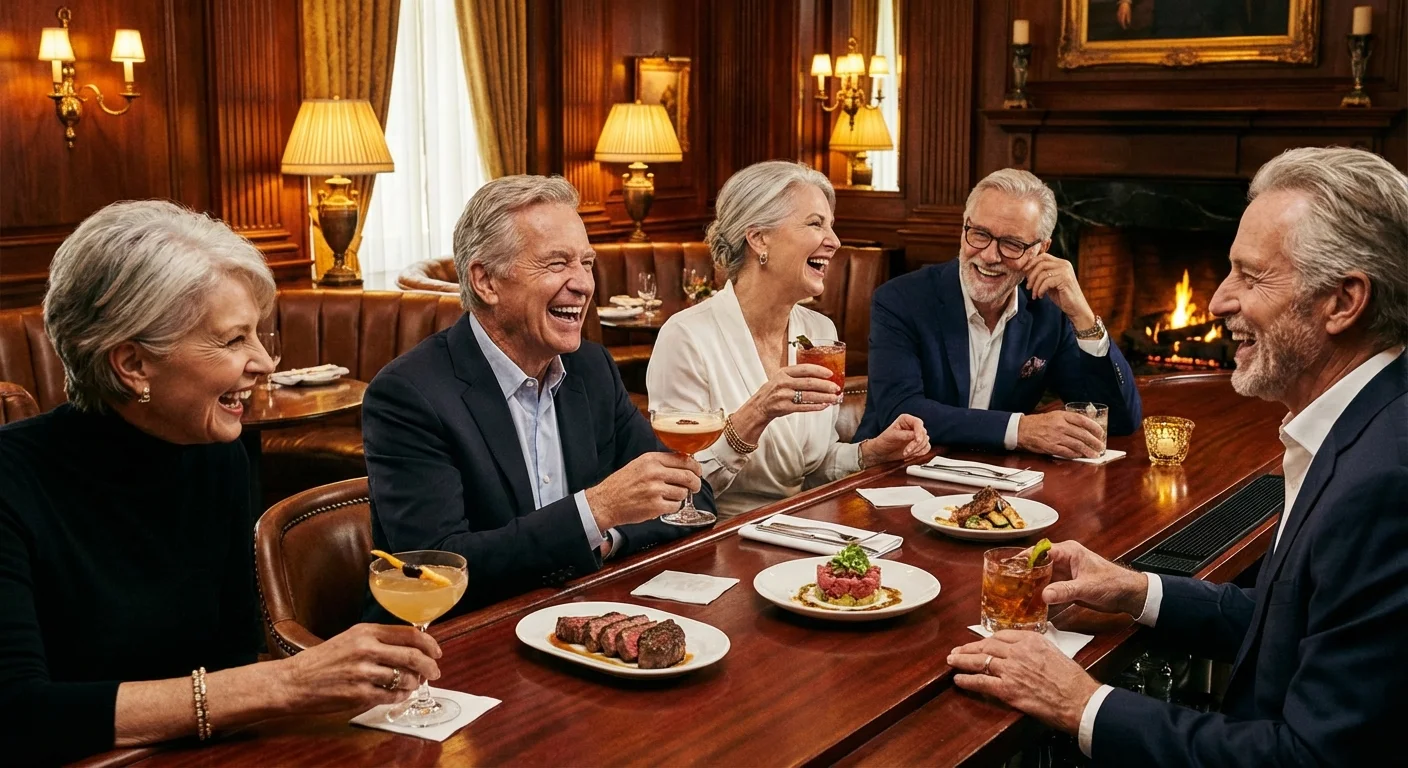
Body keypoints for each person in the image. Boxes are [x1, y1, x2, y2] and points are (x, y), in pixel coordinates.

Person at [947, 147, 1408, 766]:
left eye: (1251, 276)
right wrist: (1135, 590)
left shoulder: (1385, 482)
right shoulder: (1367, 424)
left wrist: (1081, 704)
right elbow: (1290, 620)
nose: (1217, 302)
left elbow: (1310, 758)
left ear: (1344, 302)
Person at [0, 201, 442, 765]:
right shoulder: (12, 482)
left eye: (258, 335)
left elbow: (230, 657)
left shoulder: (218, 456)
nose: (262, 361)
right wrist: (284, 684)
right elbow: (16, 714)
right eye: (233, 340)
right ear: (132, 364)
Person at [361, 175, 714, 616]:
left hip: (585, 614)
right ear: (486, 281)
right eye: (556, 264)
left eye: (586, 263)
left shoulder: (593, 368)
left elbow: (692, 499)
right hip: (459, 642)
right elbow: (436, 570)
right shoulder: (409, 395)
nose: (584, 284)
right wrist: (596, 511)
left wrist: (603, 538)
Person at [645, 161, 928, 517]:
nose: (835, 241)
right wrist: (757, 413)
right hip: (719, 539)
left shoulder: (820, 332)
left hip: (803, 530)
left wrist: (870, 452)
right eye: (815, 223)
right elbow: (681, 492)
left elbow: (814, 468)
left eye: (831, 225)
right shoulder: (686, 337)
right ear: (759, 238)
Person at [854, 168, 1141, 458]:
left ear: (1041, 250)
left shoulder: (1049, 312)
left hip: (997, 482)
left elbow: (1117, 420)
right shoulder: (901, 300)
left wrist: (1083, 316)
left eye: (1011, 244)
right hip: (891, 476)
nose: (990, 256)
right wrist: (1021, 429)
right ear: (964, 227)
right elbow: (902, 410)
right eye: (979, 234)